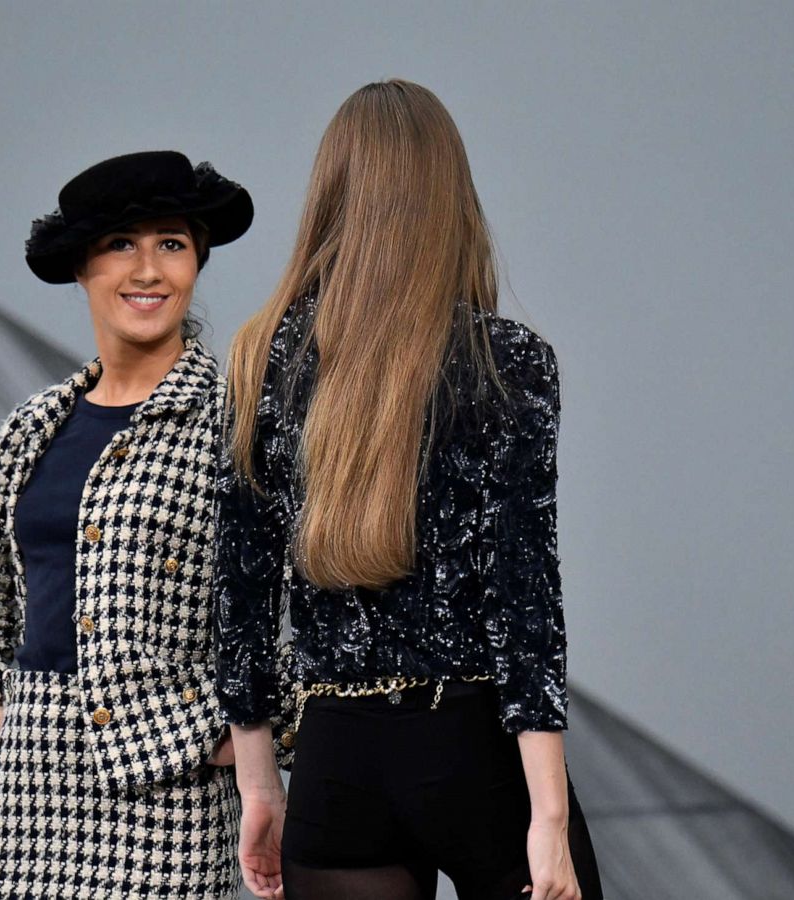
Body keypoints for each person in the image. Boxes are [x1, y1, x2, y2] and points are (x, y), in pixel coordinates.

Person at [213, 80, 606, 900]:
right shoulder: (507, 364)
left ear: (330, 195)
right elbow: (523, 602)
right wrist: (549, 819)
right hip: (473, 748)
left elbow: (241, 605)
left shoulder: (260, 361)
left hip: (334, 764)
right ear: (450, 200)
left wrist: (261, 789)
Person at [0, 150, 253, 899]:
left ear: (198, 262)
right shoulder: (34, 426)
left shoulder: (239, 427)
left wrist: (243, 731)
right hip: (23, 786)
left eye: (171, 243)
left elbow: (308, 599)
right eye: (120, 244)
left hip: (166, 799)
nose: (148, 270)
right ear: (82, 267)